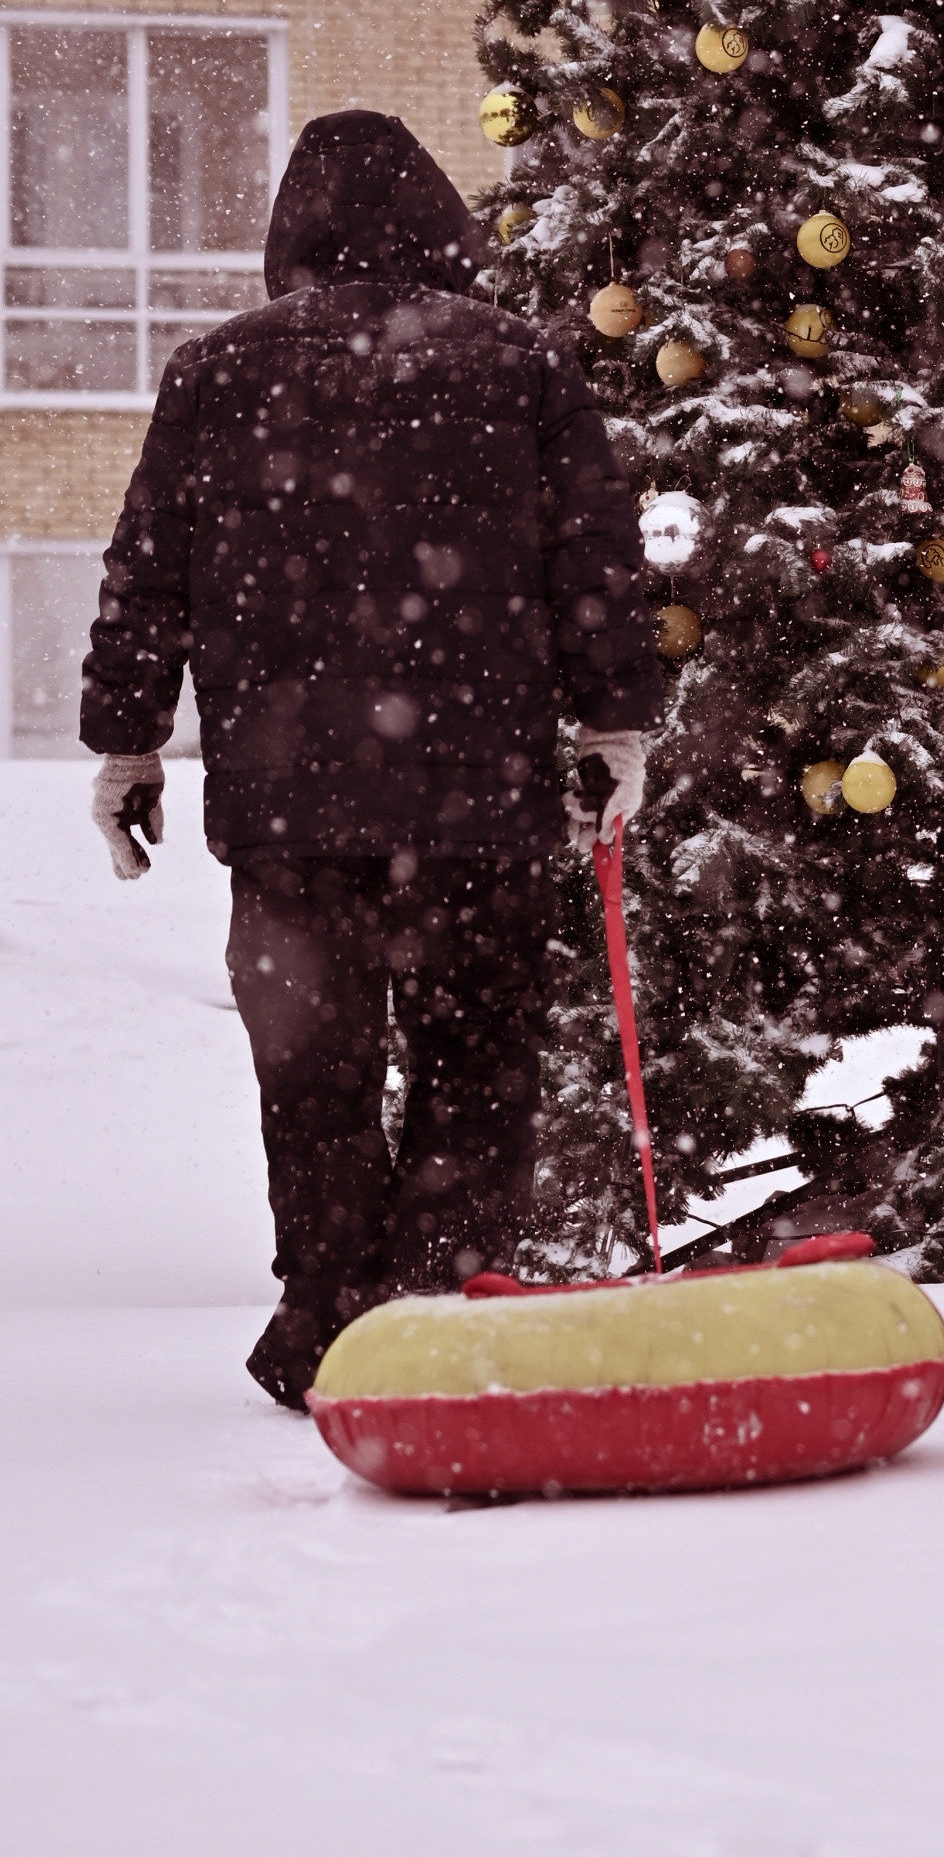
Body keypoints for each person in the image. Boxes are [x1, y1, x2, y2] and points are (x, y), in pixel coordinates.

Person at [81, 109, 664, 1411]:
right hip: (478, 803)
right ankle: (446, 1308)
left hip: (289, 810)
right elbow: (596, 560)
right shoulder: (518, 364)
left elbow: (144, 574)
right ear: (442, 224)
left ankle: (333, 1319)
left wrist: (127, 744)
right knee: (475, 1060)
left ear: (293, 228)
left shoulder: (218, 370)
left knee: (315, 1070)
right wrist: (613, 719)